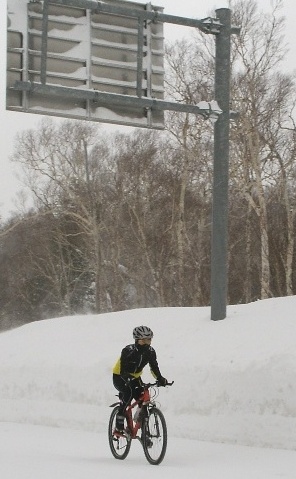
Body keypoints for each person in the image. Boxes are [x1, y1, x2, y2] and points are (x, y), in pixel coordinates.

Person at [112, 325, 168, 434]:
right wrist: (127, 377)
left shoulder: (151, 352)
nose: (147, 343)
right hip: (120, 376)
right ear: (137, 340)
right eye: (145, 341)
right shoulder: (128, 350)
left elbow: (154, 367)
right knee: (129, 393)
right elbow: (122, 369)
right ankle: (119, 420)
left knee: (142, 397)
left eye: (149, 340)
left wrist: (160, 378)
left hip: (135, 377)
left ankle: (144, 430)